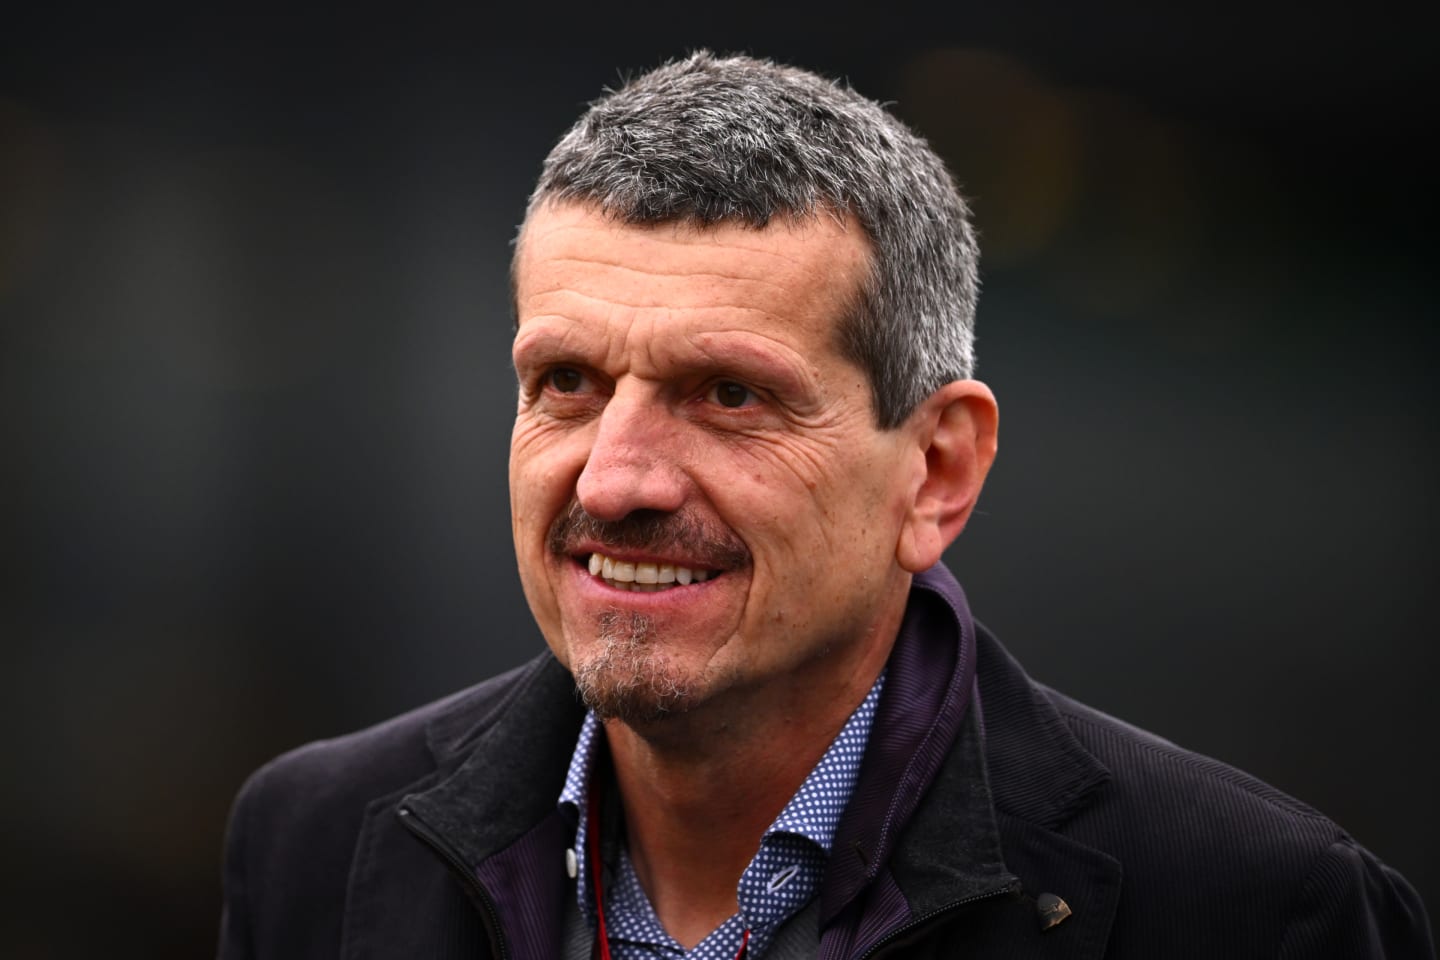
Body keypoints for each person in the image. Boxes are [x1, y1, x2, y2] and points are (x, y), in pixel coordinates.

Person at [217, 52, 1432, 959]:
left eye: (730, 393)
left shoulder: (1253, 912)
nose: (616, 479)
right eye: (567, 384)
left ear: (938, 470)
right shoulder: (313, 847)